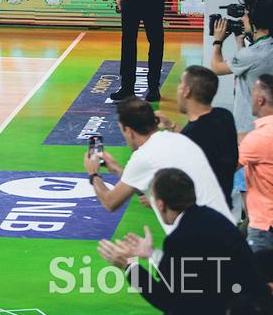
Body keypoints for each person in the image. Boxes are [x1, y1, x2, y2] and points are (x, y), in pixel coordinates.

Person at [97, 168, 264, 315]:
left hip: (233, 313)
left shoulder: (181, 238)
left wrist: (129, 266)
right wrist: (151, 253)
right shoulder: (210, 218)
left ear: (161, 205)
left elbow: (166, 299)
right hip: (249, 306)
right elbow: (188, 273)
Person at [85, 100, 234, 235]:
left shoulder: (144, 156)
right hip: (225, 227)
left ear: (128, 131)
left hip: (201, 240)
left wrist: (94, 175)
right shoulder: (179, 139)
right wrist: (118, 170)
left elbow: (110, 202)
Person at [156, 65, 238, 206]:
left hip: (201, 212)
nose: (178, 88)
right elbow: (202, 136)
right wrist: (171, 125)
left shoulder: (191, 138)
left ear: (187, 91)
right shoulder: (224, 116)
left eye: (181, 83)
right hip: (224, 205)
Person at [212, 0, 273, 136]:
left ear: (255, 23)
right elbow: (249, 69)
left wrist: (218, 41)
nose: (242, 18)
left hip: (249, 125)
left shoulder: (251, 54)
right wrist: (239, 42)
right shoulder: (265, 48)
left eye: (246, 15)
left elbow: (216, 68)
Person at [239, 75, 273, 252]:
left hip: (264, 227)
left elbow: (224, 168)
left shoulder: (259, 138)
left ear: (261, 100)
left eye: (253, 91)